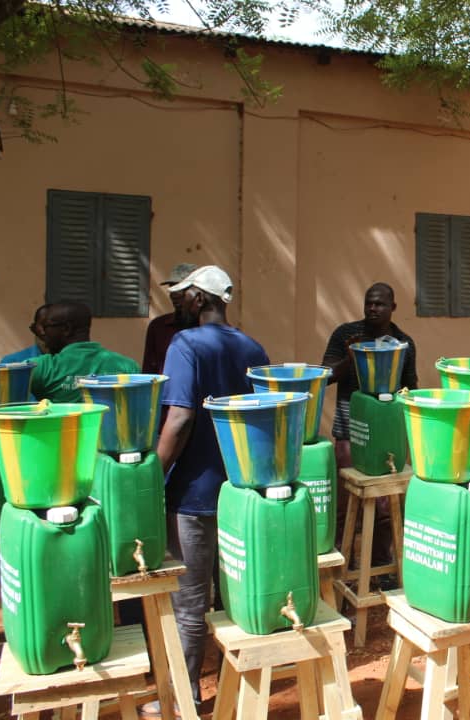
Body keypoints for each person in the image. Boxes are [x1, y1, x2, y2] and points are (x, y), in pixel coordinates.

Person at [156, 265, 268, 710]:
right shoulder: (254, 347)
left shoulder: (184, 345)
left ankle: (186, 699)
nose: (179, 303)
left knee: (190, 602)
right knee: (235, 596)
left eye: (183, 296)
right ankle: (235, 695)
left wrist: (151, 474)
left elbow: (180, 419)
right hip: (240, 490)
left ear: (200, 299)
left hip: (195, 493)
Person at [320, 282, 418, 568]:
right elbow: (325, 376)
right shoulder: (346, 335)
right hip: (349, 431)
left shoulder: (404, 342)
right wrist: (351, 358)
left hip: (387, 436)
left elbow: (410, 386)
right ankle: (341, 566)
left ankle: (379, 567)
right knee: (344, 504)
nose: (373, 308)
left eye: (380, 304)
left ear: (393, 308)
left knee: (386, 508)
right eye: (369, 303)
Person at [30, 302, 140, 402]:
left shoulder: (41, 368)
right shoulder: (129, 367)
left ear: (66, 329)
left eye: (46, 327)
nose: (43, 333)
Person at [142, 262, 198, 374]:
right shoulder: (158, 327)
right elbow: (149, 372)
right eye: (171, 287)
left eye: (181, 288)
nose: (174, 294)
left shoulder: (211, 331)